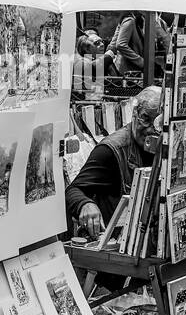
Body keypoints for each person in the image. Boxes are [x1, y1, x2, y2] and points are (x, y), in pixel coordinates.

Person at [65, 85, 162, 240]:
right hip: (117, 243)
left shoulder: (165, 146)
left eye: (158, 123)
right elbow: (73, 190)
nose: (151, 129)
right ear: (134, 113)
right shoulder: (112, 149)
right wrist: (85, 204)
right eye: (145, 119)